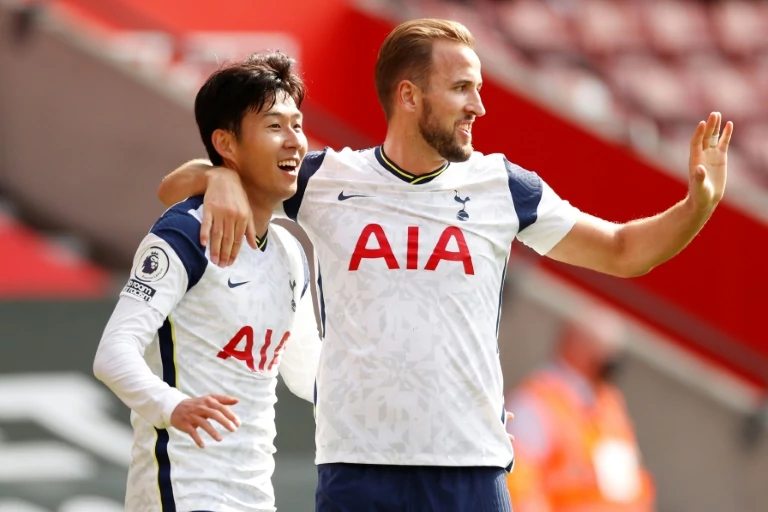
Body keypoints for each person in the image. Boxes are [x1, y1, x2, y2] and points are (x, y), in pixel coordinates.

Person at [156, 18, 731, 512]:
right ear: (409, 96)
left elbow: (623, 251)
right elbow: (172, 187)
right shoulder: (324, 178)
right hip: (359, 469)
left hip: (471, 471)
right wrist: (221, 177)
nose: (479, 106)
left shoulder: (503, 187)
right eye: (461, 89)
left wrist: (697, 206)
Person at [93, 51, 322, 512]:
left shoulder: (290, 251)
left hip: (254, 495)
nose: (294, 141)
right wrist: (171, 405)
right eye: (275, 126)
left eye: (297, 125)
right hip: (181, 488)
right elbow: (112, 354)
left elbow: (309, 374)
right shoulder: (184, 233)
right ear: (226, 143)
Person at [505, 307, 655, 511]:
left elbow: (629, 486)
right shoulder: (535, 403)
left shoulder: (609, 405)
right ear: (574, 345)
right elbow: (519, 488)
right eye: (602, 349)